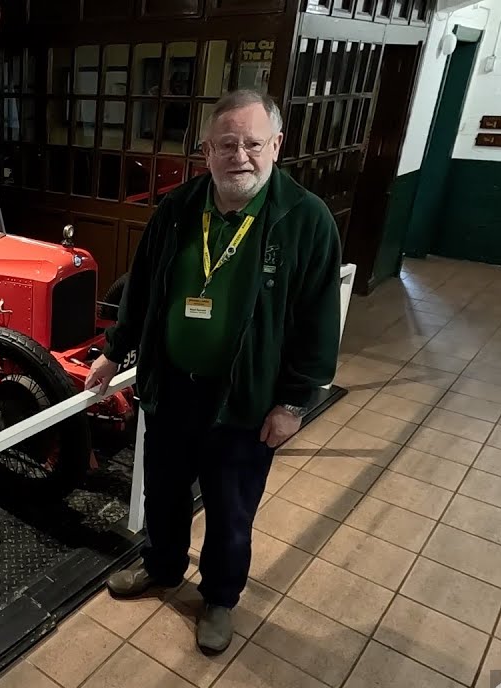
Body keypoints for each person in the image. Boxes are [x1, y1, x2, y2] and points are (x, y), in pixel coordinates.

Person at [84, 89, 342, 655]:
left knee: (230, 508)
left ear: (277, 144)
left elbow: (319, 321)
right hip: (172, 385)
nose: (239, 156)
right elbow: (143, 288)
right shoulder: (179, 208)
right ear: (206, 150)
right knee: (164, 490)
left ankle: (220, 597)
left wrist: (293, 403)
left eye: (252, 143)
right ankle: (163, 566)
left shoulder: (305, 219)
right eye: (226, 144)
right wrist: (114, 350)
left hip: (245, 397)